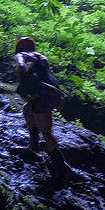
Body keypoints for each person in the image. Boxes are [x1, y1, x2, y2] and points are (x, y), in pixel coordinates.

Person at [14, 37, 69, 178]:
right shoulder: (41, 57)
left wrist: (22, 86)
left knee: (46, 132)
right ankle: (33, 144)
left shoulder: (21, 56)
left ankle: (61, 164)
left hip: (41, 95)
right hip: (52, 92)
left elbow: (21, 66)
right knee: (27, 110)